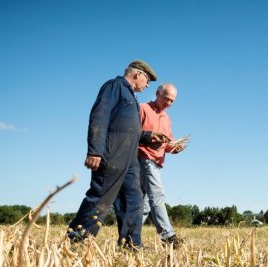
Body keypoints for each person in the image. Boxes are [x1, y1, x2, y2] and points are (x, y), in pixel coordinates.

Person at [67, 60, 167, 248]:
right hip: (111, 154)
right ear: (138, 74)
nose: (147, 86)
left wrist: (149, 136)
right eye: (147, 80)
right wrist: (95, 151)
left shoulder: (131, 95)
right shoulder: (114, 86)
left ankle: (130, 244)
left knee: (134, 199)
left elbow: (128, 129)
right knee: (101, 197)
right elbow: (99, 117)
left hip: (129, 159)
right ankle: (76, 240)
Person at [137, 83, 189, 244]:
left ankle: (130, 237)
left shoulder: (167, 118)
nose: (169, 103)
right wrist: (150, 137)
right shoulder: (143, 108)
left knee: (145, 205)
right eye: (166, 99)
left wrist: (176, 148)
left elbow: (167, 145)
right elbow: (132, 133)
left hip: (158, 163)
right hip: (144, 158)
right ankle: (168, 236)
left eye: (172, 101)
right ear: (157, 93)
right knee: (157, 195)